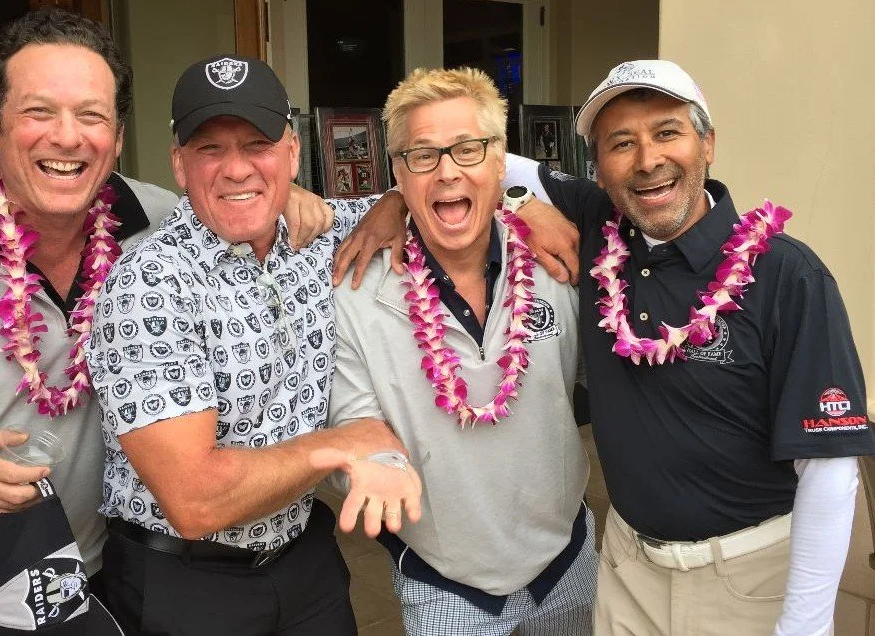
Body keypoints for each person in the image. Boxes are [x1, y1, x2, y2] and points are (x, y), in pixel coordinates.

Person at [0, 10, 328, 634]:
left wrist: (285, 197)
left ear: (116, 131)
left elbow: (241, 191)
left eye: (91, 115)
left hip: (99, 569)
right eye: (38, 112)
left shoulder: (161, 225)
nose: (67, 137)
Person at [340, 59, 873, 636]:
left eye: (668, 132)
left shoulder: (786, 275)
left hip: (743, 580)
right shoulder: (597, 237)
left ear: (709, 143)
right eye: (622, 143)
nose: (648, 161)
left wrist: (807, 624)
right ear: (598, 170)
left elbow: (831, 470)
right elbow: (478, 160)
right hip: (625, 572)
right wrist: (395, 197)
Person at [87, 53, 422, 636]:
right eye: (210, 148)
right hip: (188, 582)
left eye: (258, 144)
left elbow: (439, 186)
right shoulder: (149, 283)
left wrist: (524, 204)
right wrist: (344, 444)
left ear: (292, 152)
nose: (236, 169)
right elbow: (195, 502)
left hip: (304, 562)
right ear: (179, 164)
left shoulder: (325, 236)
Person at [329, 67, 596, 636]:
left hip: (568, 560)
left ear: (500, 161)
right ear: (397, 174)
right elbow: (355, 423)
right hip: (445, 582)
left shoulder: (561, 264)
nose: (448, 171)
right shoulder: (355, 296)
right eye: (422, 155)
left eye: (469, 150)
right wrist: (371, 468)